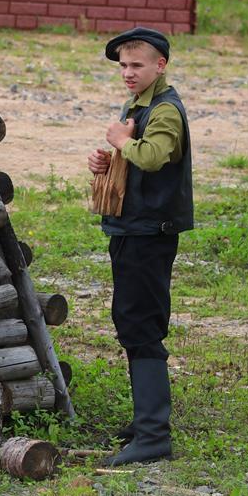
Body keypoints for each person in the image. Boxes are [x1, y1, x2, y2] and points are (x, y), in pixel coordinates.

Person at [87, 27, 193, 466]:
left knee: (142, 322)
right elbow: (134, 157)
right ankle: (144, 421)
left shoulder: (165, 111)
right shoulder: (139, 104)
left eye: (137, 65)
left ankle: (153, 434)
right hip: (132, 228)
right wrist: (107, 158)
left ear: (160, 65)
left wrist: (121, 142)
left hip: (151, 232)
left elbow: (152, 157)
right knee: (130, 319)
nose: (128, 73)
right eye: (124, 66)